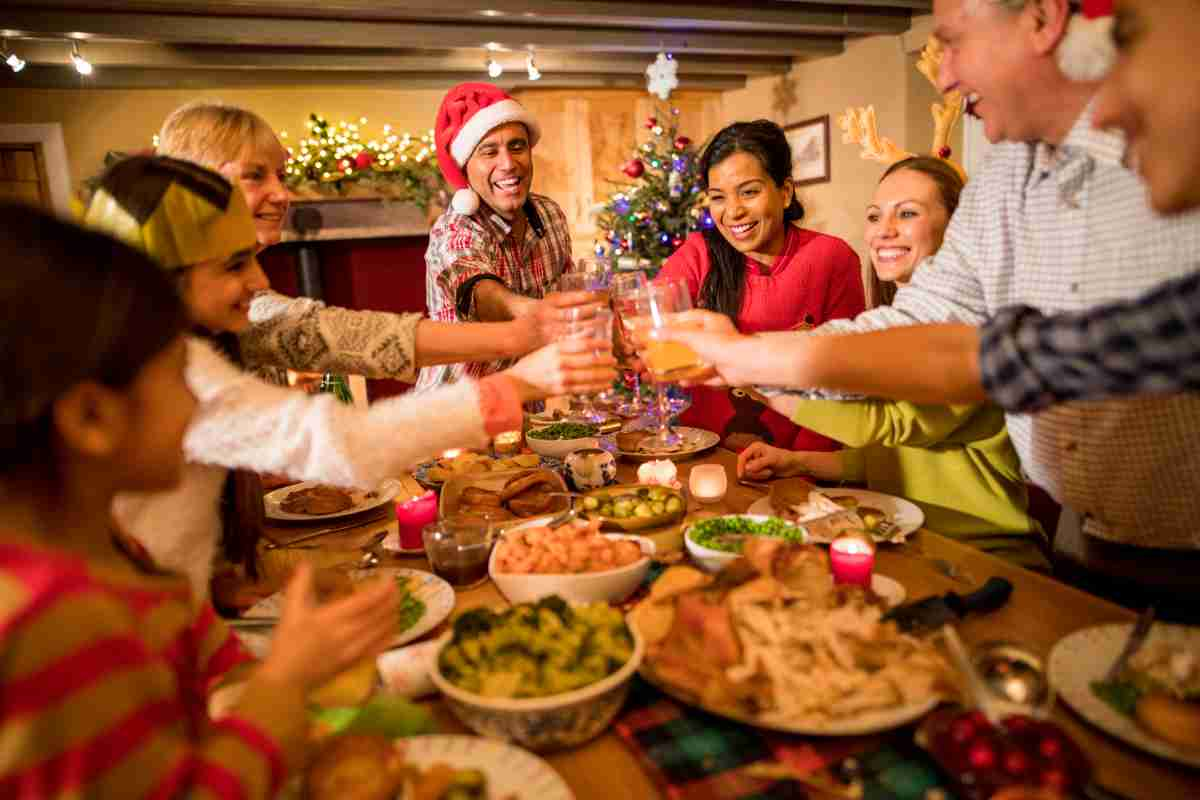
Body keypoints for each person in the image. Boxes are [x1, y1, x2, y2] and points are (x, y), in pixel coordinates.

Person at [651, 0, 1200, 616]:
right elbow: (937, 335)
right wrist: (746, 357)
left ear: (1043, 21)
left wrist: (749, 361)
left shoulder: (1165, 155)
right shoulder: (1002, 180)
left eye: (955, 41)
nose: (941, 75)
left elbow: (977, 367)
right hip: (1093, 548)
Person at [0, 203, 399, 796]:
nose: (199, 403)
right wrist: (285, 681)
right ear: (91, 416)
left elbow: (198, 647)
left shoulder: (112, 546)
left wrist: (287, 642)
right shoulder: (55, 624)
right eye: (178, 377)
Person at [86, 156, 614, 600]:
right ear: (154, 279)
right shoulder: (172, 375)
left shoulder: (164, 352)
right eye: (233, 265)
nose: (261, 281)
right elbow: (346, 444)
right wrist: (519, 384)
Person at [155, 100, 593, 390]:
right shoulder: (157, 314)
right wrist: (520, 333)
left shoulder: (549, 214)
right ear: (192, 181)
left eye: (282, 177)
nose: (282, 194)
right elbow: (348, 336)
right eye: (255, 175)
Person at [738, 157, 1046, 568]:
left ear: (958, 229)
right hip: (906, 545)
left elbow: (886, 421)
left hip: (988, 558)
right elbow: (893, 455)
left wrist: (751, 371)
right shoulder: (888, 328)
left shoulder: (966, 332)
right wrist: (794, 460)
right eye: (874, 215)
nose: (883, 230)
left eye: (907, 213)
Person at [654, 119, 865, 451]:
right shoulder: (698, 253)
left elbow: (843, 381)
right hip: (708, 458)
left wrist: (800, 468)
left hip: (804, 464)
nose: (733, 211)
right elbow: (653, 326)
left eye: (749, 192)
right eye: (718, 197)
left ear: (784, 192)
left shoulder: (831, 257)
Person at [418, 83, 579, 390]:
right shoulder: (454, 229)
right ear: (466, 167)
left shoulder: (551, 215)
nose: (508, 164)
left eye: (517, 147)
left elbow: (570, 289)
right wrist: (533, 312)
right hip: (455, 414)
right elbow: (482, 294)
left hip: (525, 406)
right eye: (489, 152)